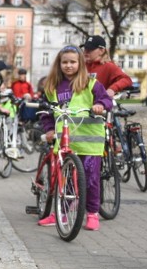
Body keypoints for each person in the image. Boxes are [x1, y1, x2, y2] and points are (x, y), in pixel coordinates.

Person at [37, 46, 111, 231]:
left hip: (89, 141)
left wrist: (100, 105)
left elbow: (107, 100)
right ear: (59, 64)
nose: (68, 65)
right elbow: (46, 111)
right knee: (64, 180)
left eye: (72, 62)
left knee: (90, 179)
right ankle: (58, 214)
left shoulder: (91, 84)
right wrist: (49, 129)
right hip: (65, 141)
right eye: (65, 62)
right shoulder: (52, 86)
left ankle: (92, 213)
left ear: (80, 63)